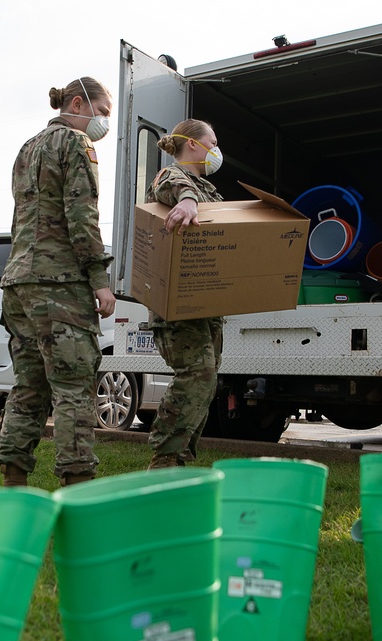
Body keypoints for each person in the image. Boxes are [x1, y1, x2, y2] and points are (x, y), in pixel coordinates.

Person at [0, 77, 116, 487]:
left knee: (28, 385)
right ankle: (76, 484)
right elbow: (82, 216)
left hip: (17, 283)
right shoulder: (76, 145)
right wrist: (99, 279)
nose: (103, 124)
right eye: (102, 113)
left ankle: (13, 479)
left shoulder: (26, 147)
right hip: (58, 284)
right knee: (73, 387)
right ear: (78, 104)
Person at [144, 119, 225, 470]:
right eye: (213, 141)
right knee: (199, 374)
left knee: (207, 382)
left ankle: (181, 458)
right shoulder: (171, 177)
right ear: (192, 144)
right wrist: (189, 201)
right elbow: (176, 188)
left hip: (208, 306)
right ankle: (164, 457)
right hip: (177, 306)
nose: (217, 149)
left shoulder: (211, 190)